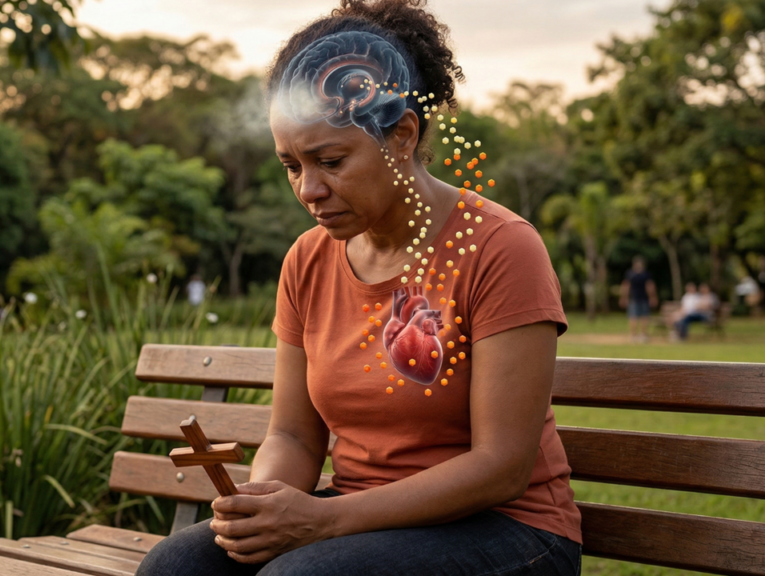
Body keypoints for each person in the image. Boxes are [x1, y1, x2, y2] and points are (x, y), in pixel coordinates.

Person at [137, 2, 581, 574]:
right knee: (175, 568)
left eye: (330, 160)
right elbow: (295, 436)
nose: (309, 189)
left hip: (510, 530)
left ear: (400, 137)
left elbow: (501, 466)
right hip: (359, 522)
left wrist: (322, 522)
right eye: (291, 166)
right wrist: (264, 506)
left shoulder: (499, 248)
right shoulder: (307, 260)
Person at [619, 256, 658, 343]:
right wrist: (653, 297)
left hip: (637, 298)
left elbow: (626, 286)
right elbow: (650, 286)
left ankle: (634, 335)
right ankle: (642, 335)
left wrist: (623, 297)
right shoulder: (645, 274)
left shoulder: (631, 274)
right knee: (640, 317)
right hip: (639, 298)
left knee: (636, 317)